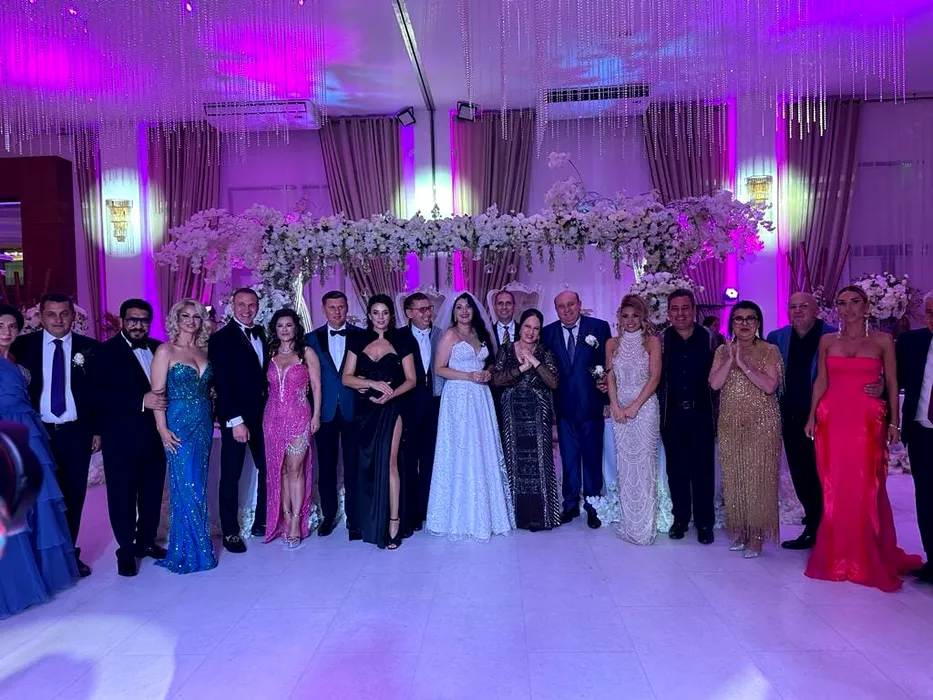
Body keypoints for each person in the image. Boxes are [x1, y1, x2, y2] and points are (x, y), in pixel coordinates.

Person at [804, 285, 922, 591]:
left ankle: (865, 554)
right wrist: (812, 415)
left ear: (866, 305)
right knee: (834, 485)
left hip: (868, 422)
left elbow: (893, 382)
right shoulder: (828, 340)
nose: (848, 308)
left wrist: (895, 421)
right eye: (842, 303)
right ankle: (838, 554)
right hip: (833, 419)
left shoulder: (882, 340)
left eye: (854, 302)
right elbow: (821, 380)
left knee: (867, 486)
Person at [11, 292, 98, 577]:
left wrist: (97, 430)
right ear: (41, 316)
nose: (58, 319)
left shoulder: (90, 348)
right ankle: (39, 560)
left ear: (73, 316)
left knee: (73, 495)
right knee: (38, 497)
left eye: (64, 313)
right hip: (37, 434)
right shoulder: (22, 346)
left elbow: (99, 394)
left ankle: (69, 555)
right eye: (51, 313)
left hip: (76, 433)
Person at [0, 304, 78, 617]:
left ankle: (35, 575)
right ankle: (14, 586)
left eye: (12, 327)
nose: (6, 332)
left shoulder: (15, 360)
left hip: (27, 433)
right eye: (0, 326)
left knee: (31, 504)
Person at [427, 292, 515, 540]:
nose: (464, 311)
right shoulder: (449, 335)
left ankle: (486, 512)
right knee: (461, 449)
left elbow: (490, 363)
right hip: (458, 397)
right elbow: (439, 368)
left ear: (474, 310)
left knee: (481, 448)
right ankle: (458, 516)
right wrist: (468, 376)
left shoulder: (480, 334)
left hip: (480, 397)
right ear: (454, 312)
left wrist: (487, 372)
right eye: (459, 307)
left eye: (468, 307)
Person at [89, 299, 167, 576]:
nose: (138, 325)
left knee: (152, 493)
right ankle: (125, 550)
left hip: (155, 436)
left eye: (144, 320)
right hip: (121, 438)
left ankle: (146, 542)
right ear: (122, 320)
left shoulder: (159, 348)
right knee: (122, 496)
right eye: (133, 319)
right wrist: (140, 400)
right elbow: (96, 395)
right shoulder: (104, 352)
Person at [342, 295, 417, 549]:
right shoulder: (357, 339)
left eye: (385, 312)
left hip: (392, 408)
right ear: (369, 315)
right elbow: (347, 378)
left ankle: (394, 522)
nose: (381, 317)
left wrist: (390, 395)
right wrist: (371, 383)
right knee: (367, 464)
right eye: (376, 312)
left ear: (391, 314)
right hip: (365, 411)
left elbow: (411, 380)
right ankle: (371, 521)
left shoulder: (403, 340)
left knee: (390, 462)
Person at [709, 301, 782, 558]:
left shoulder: (769, 350)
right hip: (730, 422)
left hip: (763, 423)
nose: (744, 323)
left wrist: (743, 363)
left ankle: (757, 535)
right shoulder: (722, 350)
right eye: (738, 319)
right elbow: (715, 384)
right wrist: (731, 358)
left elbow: (769, 386)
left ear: (758, 323)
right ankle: (740, 530)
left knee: (758, 479)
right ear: (732, 323)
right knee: (735, 477)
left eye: (750, 318)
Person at [767, 292, 838, 550]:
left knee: (824, 473)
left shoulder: (832, 335)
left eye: (803, 306)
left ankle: (824, 526)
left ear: (816, 309)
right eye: (792, 307)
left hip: (825, 416)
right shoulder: (778, 337)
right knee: (800, 472)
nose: (797, 311)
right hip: (790, 415)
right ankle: (814, 519)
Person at [151, 299, 217, 574]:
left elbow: (210, 389)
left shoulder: (204, 350)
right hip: (177, 423)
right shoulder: (165, 350)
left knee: (198, 483)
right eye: (185, 316)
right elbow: (157, 394)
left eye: (197, 316)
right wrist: (162, 429)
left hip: (203, 422)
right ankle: (193, 550)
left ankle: (193, 546)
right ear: (176, 319)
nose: (191, 321)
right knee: (186, 484)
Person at [542, 291, 612, 528]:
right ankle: (570, 504)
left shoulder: (598, 327)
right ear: (556, 310)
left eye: (571, 304)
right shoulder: (548, 333)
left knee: (592, 457)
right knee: (569, 458)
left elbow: (604, 364)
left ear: (579, 304)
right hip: (563, 407)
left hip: (591, 404)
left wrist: (606, 398)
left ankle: (593, 505)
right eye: (561, 306)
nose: (567, 309)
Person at [208, 287, 269, 553]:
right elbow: (222, 383)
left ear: (258, 306)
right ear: (232, 305)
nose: (247, 309)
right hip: (237, 419)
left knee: (269, 469)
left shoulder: (263, 333)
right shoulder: (221, 339)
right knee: (231, 475)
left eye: (251, 304)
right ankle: (230, 532)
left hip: (263, 417)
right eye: (241, 304)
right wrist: (235, 420)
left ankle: (262, 522)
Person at [492, 308, 560, 532]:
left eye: (536, 329)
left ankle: (542, 517)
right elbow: (497, 380)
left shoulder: (544, 351)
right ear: (520, 327)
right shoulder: (505, 349)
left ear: (540, 332)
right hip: (512, 414)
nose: (531, 332)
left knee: (540, 462)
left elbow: (553, 382)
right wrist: (522, 367)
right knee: (514, 461)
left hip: (538, 414)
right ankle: (516, 517)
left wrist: (533, 360)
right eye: (527, 327)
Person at [658, 289, 716, 544]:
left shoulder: (711, 339)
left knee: (703, 471)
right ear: (668, 312)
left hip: (702, 414)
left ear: (694, 310)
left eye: (685, 308)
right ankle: (680, 519)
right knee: (676, 471)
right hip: (671, 415)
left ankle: (705, 523)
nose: (680, 313)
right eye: (675, 308)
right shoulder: (661, 341)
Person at [306, 291, 364, 539]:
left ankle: (355, 519)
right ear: (323, 309)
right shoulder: (310, 339)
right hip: (324, 411)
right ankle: (328, 516)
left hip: (354, 410)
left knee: (354, 467)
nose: (337, 311)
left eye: (341, 306)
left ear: (347, 307)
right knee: (326, 467)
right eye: (332, 307)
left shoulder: (361, 336)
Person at [263, 309, 322, 549]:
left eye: (289, 325)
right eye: (280, 326)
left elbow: (317, 387)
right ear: (275, 329)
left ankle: (297, 521)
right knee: (282, 470)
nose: (285, 329)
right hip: (272, 418)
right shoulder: (270, 353)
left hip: (299, 416)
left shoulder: (306, 353)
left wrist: (316, 416)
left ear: (296, 327)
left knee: (296, 469)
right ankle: (285, 518)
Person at [606, 295, 661, 545]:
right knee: (625, 466)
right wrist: (615, 406)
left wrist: (634, 407)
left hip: (645, 409)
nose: (630, 321)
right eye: (625, 316)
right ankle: (629, 524)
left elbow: (655, 378)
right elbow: (610, 377)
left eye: (635, 316)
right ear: (619, 317)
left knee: (644, 465)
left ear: (643, 317)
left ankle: (644, 529)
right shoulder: (611, 343)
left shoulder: (652, 341)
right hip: (620, 411)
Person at [895, 290, 933, 584]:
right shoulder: (911, 342)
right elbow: (893, 380)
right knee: (927, 499)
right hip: (922, 433)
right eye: (930, 313)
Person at [395, 292, 442, 531]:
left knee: (431, 458)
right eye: (421, 309)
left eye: (429, 308)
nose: (427, 313)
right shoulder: (398, 336)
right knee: (407, 459)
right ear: (408, 313)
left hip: (435, 405)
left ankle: (428, 510)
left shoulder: (442, 334)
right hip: (408, 405)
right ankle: (410, 513)